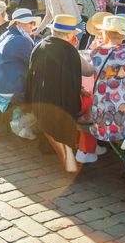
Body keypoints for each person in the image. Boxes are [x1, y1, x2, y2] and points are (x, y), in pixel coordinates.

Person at [27, 15, 89, 171]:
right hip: (60, 106)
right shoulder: (69, 51)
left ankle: (57, 150)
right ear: (69, 35)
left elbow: (31, 75)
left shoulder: (39, 46)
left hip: (39, 101)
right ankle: (70, 159)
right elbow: (73, 82)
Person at [0, 9, 39, 105]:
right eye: (29, 22)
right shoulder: (22, 40)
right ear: (18, 23)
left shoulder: (4, 35)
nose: (32, 25)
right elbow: (35, 65)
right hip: (12, 90)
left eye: (33, 23)